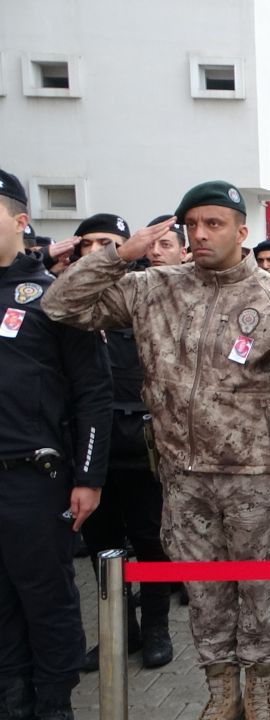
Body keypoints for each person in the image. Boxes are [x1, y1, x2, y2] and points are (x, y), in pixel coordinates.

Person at [42, 180, 270, 720]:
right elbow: (61, 305)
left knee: (256, 590)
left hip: (255, 474)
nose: (199, 234)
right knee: (204, 592)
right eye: (191, 225)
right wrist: (117, 255)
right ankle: (222, 692)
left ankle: (261, 694)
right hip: (181, 473)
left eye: (213, 224)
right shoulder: (154, 288)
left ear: (242, 232)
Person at [0, 169, 113, 720]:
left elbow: (93, 394)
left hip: (34, 478)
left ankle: (54, 704)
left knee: (46, 600)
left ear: (21, 221)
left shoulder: (54, 298)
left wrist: (89, 478)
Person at [65, 214, 175, 673]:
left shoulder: (147, 298)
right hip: (92, 449)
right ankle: (118, 628)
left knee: (151, 543)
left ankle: (155, 628)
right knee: (102, 545)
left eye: (108, 243)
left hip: (144, 445)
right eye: (88, 244)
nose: (97, 251)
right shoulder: (79, 307)